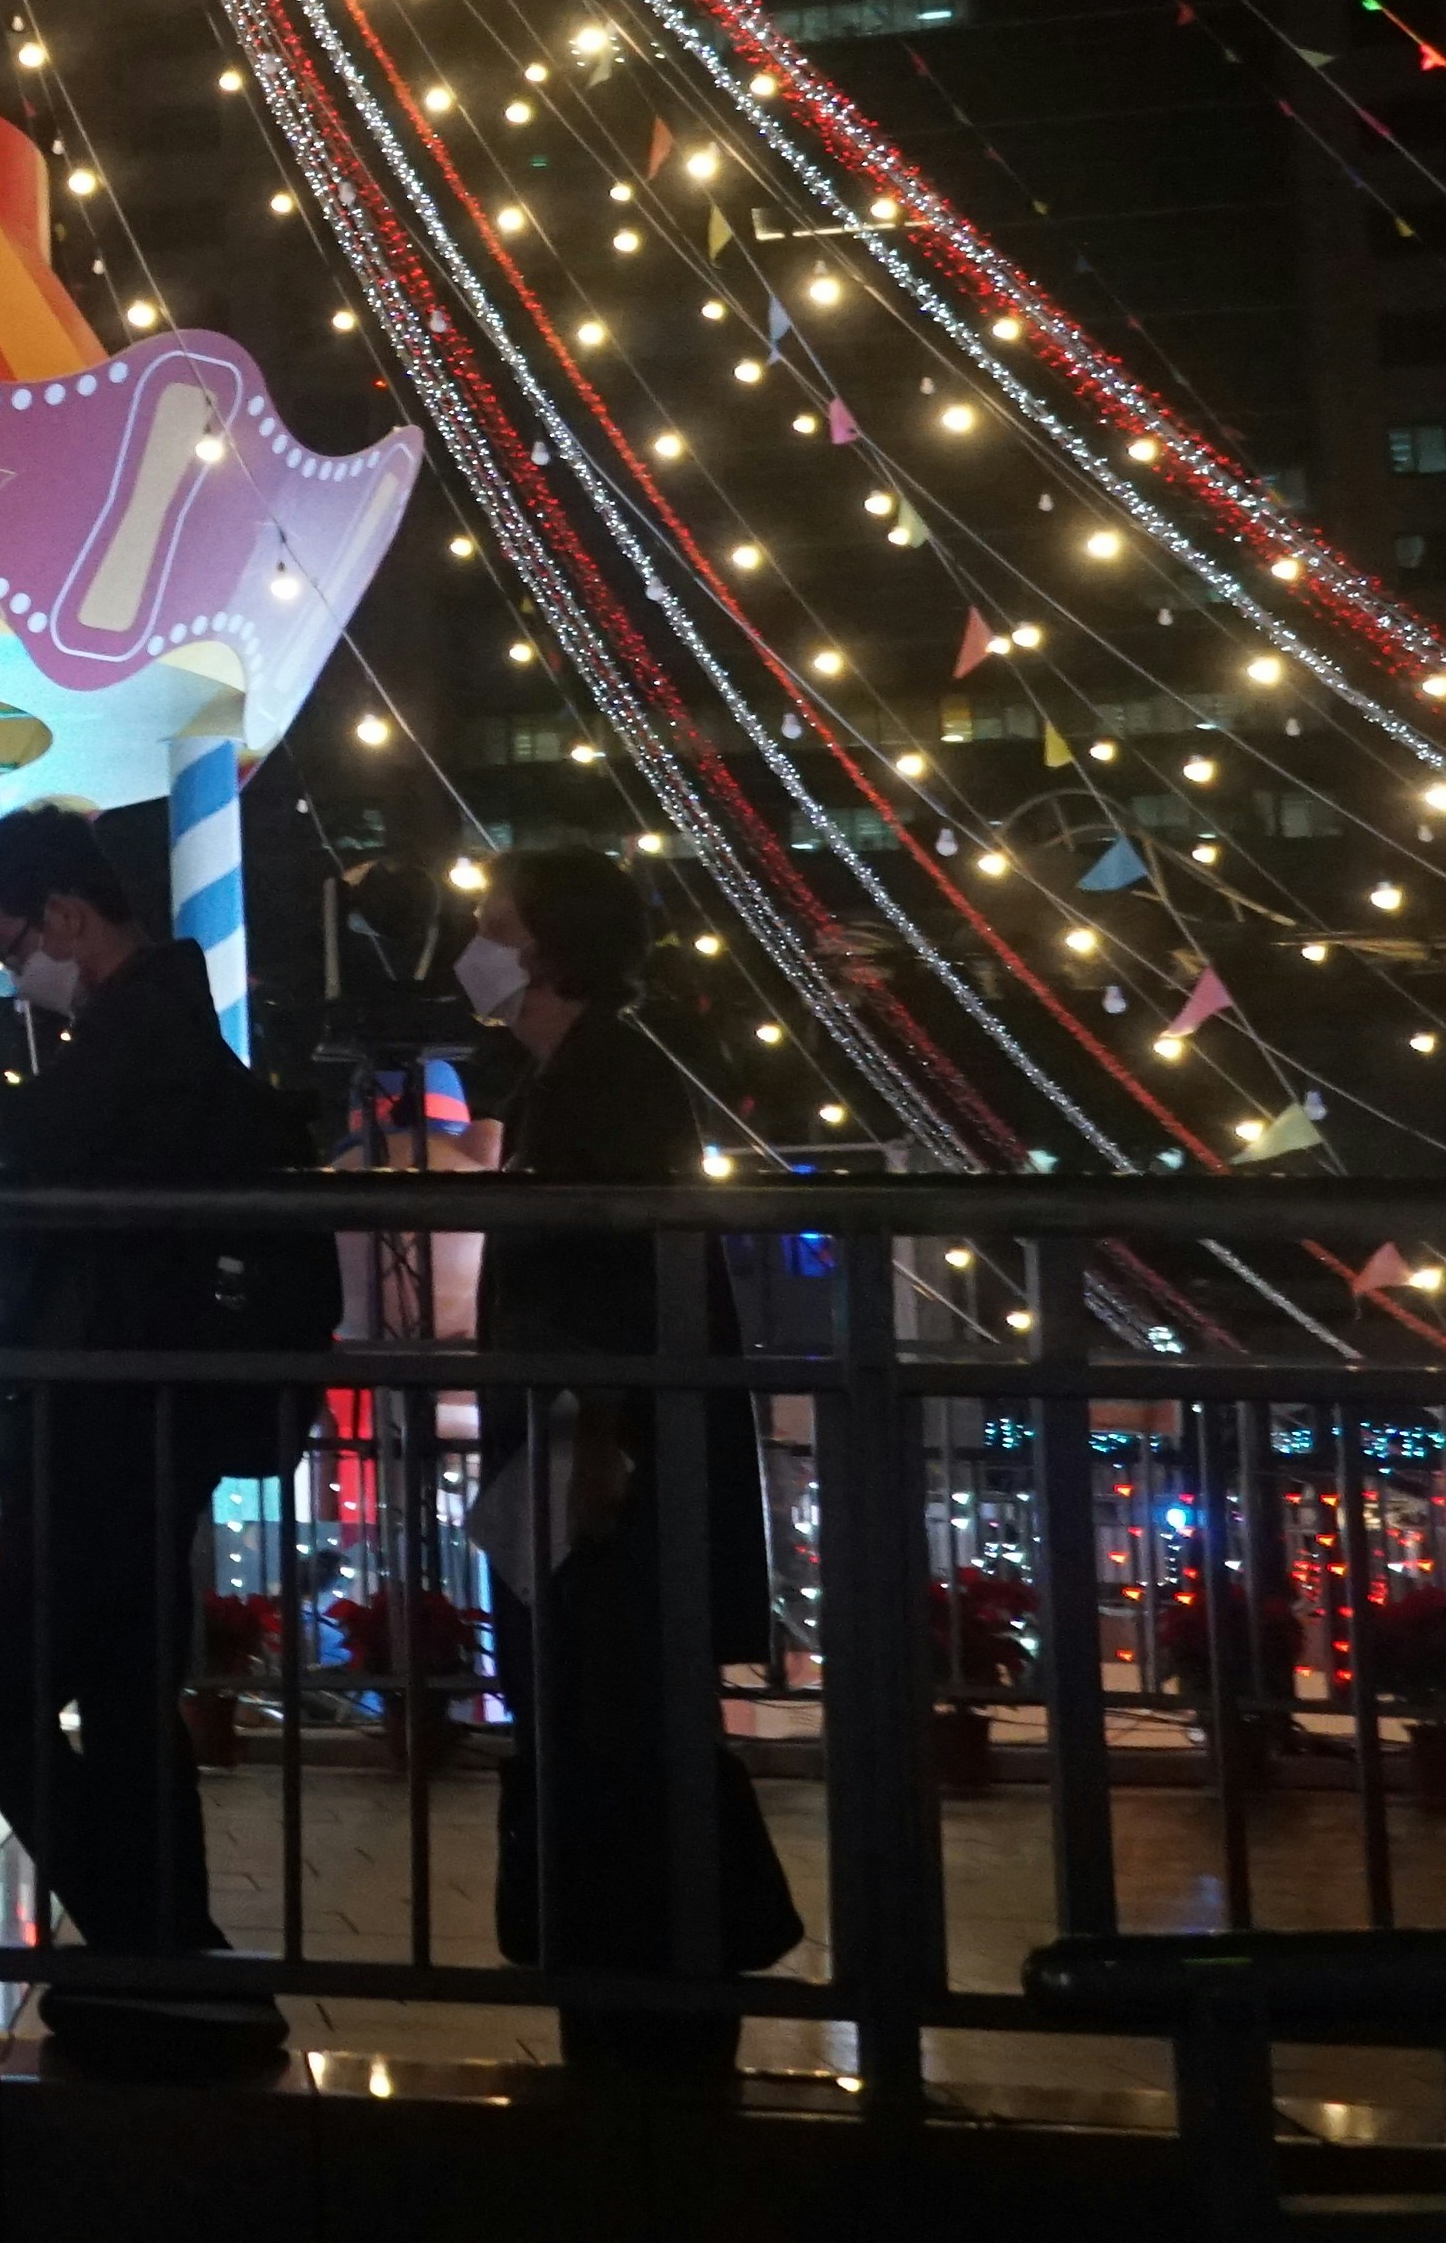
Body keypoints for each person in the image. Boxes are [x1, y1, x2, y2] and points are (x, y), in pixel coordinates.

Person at [0, 804, 300, 2084]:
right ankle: (171, 1966)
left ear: (62, 915)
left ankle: (171, 1955)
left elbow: (44, 1151)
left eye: (10, 946)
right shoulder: (150, 1025)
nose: (13, 973)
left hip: (106, 1425)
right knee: (120, 1705)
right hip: (130, 1421)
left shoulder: (137, 1027)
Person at [463, 844, 805, 2079]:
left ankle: (649, 2008)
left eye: (493, 922)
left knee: (614, 1731)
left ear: (548, 949)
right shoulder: (575, 1073)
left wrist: (599, 1430)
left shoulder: (605, 1074)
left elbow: (607, 1274)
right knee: (600, 1726)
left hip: (599, 1461)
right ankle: (637, 1996)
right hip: (583, 1446)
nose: (475, 942)